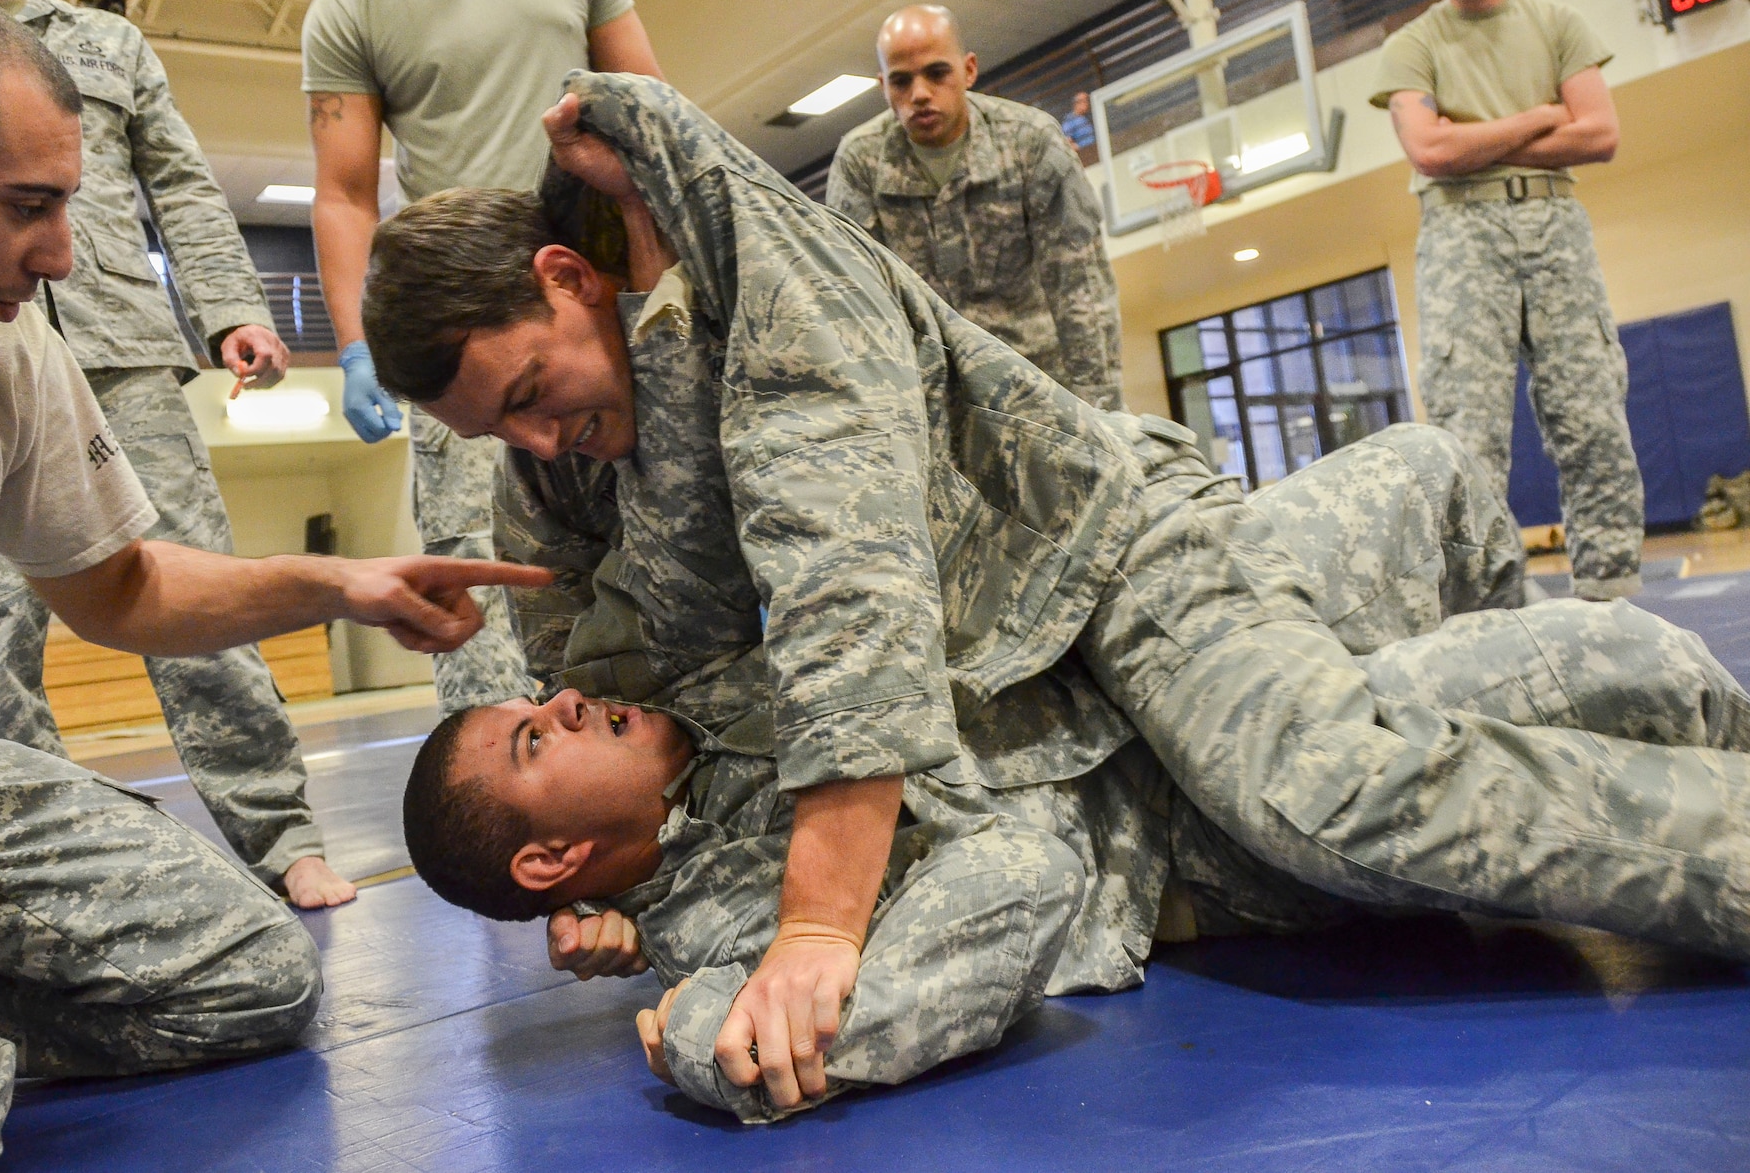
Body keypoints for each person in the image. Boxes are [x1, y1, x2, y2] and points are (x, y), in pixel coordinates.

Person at [360, 70, 1750, 1124]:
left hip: (1109, 567)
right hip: (1052, 690)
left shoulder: (782, 310)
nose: (534, 446)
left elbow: (848, 588)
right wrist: (598, 896)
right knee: (1560, 677)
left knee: (1316, 791)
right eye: (502, 432)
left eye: (532, 397)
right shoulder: (569, 463)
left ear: (567, 279)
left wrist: (819, 926)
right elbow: (591, 656)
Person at [0, 0, 547, 1172]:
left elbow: (119, 586)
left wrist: (340, 585)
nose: (63, 256)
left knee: (255, 975)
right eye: (28, 207)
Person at [404, 425, 1750, 1121]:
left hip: (1140, 629)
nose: (566, 701)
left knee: (1439, 470)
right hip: (1174, 807)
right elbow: (1018, 884)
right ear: (548, 860)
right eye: (537, 739)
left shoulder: (668, 694)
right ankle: (1478, 752)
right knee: (1629, 663)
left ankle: (1462, 718)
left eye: (539, 706)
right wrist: (710, 1044)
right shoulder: (736, 934)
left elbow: (585, 547)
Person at [0, 0, 357, 908]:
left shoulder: (106, 42)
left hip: (122, 355)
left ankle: (280, 832)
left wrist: (234, 308)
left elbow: (182, 187)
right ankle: (39, 869)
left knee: (194, 592)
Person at [302, 0, 662, 714]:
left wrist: (666, 290)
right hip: (464, 330)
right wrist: (357, 346)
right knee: (486, 580)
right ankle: (516, 791)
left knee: (657, 538)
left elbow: (654, 118)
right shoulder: (348, 1)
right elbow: (345, 196)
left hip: (588, 310)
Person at [1371, 0, 1642, 601]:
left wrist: (1477, 136)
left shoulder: (1558, 24)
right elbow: (1429, 150)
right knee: (1470, 434)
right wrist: (1544, 115)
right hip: (1461, 232)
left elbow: (1600, 134)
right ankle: (1490, 608)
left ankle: (1609, 593)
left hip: (1556, 227)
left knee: (1591, 417)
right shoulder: (1412, 46)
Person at [825, 5, 1123, 409]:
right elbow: (859, 301)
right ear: (883, 87)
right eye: (901, 81)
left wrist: (1101, 413)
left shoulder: (1030, 142)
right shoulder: (860, 163)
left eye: (936, 73)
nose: (920, 94)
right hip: (933, 400)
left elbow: (1080, 286)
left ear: (968, 70)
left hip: (1038, 388)